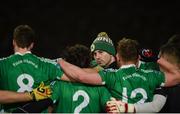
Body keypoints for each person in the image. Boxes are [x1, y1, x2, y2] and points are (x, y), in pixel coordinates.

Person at [58, 38, 180, 112]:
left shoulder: (112, 76)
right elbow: (177, 75)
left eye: (100, 52)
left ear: (117, 57)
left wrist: (59, 61)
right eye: (94, 54)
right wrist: (156, 58)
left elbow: (81, 76)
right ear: (138, 58)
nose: (97, 57)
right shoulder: (152, 75)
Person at [106, 34, 180, 113]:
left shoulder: (166, 84)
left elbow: (155, 107)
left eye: (160, 58)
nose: (158, 62)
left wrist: (127, 108)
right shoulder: (160, 79)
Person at [0, 25, 65, 112]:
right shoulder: (48, 65)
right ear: (31, 45)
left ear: (14, 42)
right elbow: (76, 77)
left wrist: (32, 95)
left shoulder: (2, 64)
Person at [51, 44, 112, 113]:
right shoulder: (100, 87)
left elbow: (45, 106)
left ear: (68, 62)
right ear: (89, 62)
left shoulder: (58, 84)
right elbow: (113, 109)